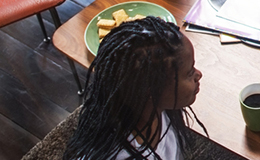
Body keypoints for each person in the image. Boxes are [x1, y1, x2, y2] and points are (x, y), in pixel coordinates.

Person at [63, 17, 204, 159]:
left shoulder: (155, 107)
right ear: (152, 90)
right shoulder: (122, 155)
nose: (199, 74)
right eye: (190, 72)